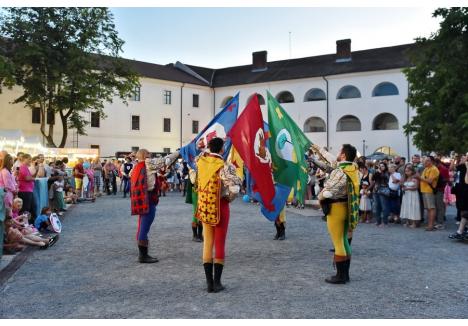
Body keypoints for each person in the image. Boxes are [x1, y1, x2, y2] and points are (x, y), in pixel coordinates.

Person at [195, 137, 241, 293]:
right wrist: (230, 197)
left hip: (205, 207)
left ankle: (209, 283)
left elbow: (194, 179)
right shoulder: (224, 166)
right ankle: (217, 283)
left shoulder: (200, 161)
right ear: (222, 149)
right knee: (219, 243)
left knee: (207, 243)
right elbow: (234, 187)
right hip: (220, 207)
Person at [312, 143, 360, 285]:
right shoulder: (352, 168)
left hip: (336, 208)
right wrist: (316, 153)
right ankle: (345, 274)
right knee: (344, 240)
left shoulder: (341, 171)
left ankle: (340, 276)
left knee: (338, 242)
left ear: (344, 155)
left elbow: (330, 189)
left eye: (340, 151)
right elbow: (331, 166)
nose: (338, 153)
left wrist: (320, 197)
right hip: (346, 207)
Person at [130, 148, 179, 263]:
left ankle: (142, 253)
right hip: (148, 198)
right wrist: (179, 152)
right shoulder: (147, 163)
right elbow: (165, 160)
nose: (150, 154)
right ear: (144, 155)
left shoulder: (137, 166)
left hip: (141, 198)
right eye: (148, 153)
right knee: (145, 226)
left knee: (141, 224)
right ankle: (143, 255)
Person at [416, 156, 440, 231]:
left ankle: (431, 225)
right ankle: (429, 224)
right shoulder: (426, 168)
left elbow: (429, 181)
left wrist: (419, 177)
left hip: (429, 191)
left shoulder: (434, 169)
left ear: (431, 161)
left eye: (427, 161)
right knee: (428, 209)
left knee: (431, 208)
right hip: (424, 190)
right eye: (424, 161)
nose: (424, 162)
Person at [449, 160, 468, 240]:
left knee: (466, 213)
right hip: (463, 191)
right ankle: (460, 232)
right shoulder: (464, 165)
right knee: (465, 213)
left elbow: (467, 181)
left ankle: (461, 231)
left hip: (465, 190)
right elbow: (452, 169)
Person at [17, 153, 37, 223]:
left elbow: (29, 177)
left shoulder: (25, 167)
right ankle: (24, 225)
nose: (30, 161)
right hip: (25, 191)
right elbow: (27, 178)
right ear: (24, 159)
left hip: (27, 191)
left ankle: (28, 224)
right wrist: (33, 179)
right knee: (26, 208)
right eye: (29, 159)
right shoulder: (23, 167)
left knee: (30, 208)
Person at [373, 162, 390, 227]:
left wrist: (380, 173)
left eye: (382, 166)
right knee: (377, 206)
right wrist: (377, 172)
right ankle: (378, 221)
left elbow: (385, 178)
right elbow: (373, 179)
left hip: (383, 191)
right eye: (380, 166)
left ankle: (385, 222)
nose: (381, 167)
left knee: (384, 207)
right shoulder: (377, 172)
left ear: (385, 167)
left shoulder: (387, 173)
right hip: (376, 190)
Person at [434, 158, 449, 229]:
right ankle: (438, 221)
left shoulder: (443, 169)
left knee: (440, 207)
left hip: (440, 190)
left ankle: (440, 223)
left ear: (437, 163)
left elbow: (446, 180)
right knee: (438, 206)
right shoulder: (439, 168)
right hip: (438, 189)